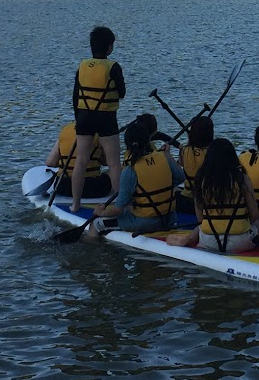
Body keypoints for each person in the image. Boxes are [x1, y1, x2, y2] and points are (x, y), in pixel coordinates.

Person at [87, 115, 183, 236]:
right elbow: (180, 177)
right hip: (170, 218)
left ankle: (90, 244)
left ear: (127, 145)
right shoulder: (164, 156)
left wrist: (101, 212)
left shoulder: (130, 170)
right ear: (148, 140)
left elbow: (117, 209)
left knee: (96, 223)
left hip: (146, 222)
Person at [166, 138, 259, 254]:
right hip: (239, 242)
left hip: (209, 240)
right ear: (232, 157)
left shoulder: (201, 180)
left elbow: (200, 219)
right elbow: (254, 214)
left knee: (200, 227)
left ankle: (190, 239)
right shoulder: (242, 178)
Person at [68, 25, 124, 213]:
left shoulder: (82, 66)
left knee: (81, 161)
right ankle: (119, 206)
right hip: (106, 117)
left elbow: (75, 96)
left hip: (84, 117)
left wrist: (78, 120)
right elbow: (122, 93)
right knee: (114, 162)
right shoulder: (113, 67)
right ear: (109, 47)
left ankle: (75, 204)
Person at [42, 121, 111, 200]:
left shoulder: (65, 130)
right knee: (114, 170)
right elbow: (108, 162)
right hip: (93, 188)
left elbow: (50, 162)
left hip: (62, 187)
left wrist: (68, 163)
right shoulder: (99, 133)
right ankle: (119, 197)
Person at [175, 113, 215, 214]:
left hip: (187, 199)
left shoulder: (184, 150)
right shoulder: (214, 151)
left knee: (174, 190)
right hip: (208, 200)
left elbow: (181, 164)